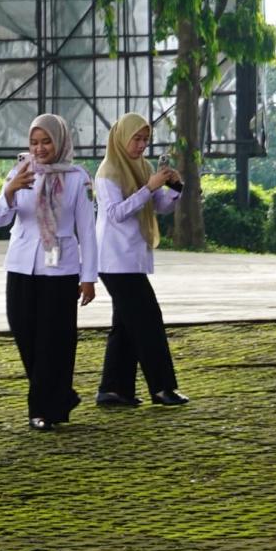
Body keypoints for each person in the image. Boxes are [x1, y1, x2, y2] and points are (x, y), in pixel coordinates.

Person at [0, 114, 98, 432]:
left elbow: (87, 231)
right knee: (24, 331)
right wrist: (9, 191)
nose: (39, 149)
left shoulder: (78, 178)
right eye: (34, 142)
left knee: (55, 341)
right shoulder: (20, 172)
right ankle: (60, 394)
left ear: (60, 141)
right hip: (22, 265)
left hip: (60, 269)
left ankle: (41, 409)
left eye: (46, 141)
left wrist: (88, 277)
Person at [94, 113, 189, 409]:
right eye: (136, 138)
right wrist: (148, 187)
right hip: (114, 259)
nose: (141, 145)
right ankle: (162, 388)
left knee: (125, 325)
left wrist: (173, 186)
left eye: (145, 139)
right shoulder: (107, 172)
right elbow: (116, 213)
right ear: (122, 137)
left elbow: (158, 207)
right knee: (148, 321)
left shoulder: (143, 167)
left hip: (133, 258)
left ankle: (113, 390)